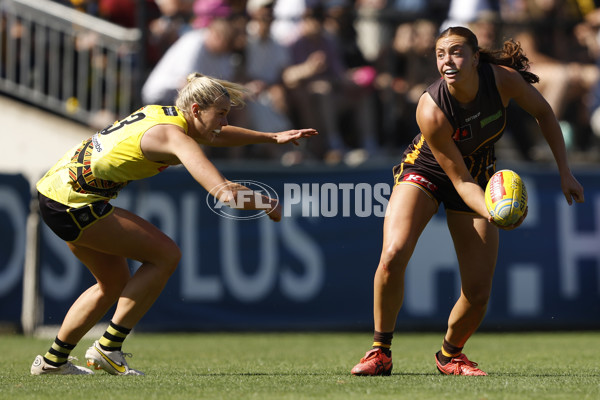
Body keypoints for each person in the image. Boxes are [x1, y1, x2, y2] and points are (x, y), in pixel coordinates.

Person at [30, 73, 318, 376]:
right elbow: (224, 193)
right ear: (195, 110)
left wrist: (271, 137)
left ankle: (52, 362)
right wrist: (267, 203)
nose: (224, 121)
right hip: (74, 201)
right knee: (166, 255)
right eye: (220, 113)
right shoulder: (175, 136)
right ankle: (108, 348)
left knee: (112, 283)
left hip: (56, 190)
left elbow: (215, 134)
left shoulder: (162, 114)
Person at [350, 26, 584, 377]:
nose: (448, 60)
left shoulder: (502, 80)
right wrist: (492, 210)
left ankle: (450, 355)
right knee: (393, 255)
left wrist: (565, 171)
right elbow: (456, 179)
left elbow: (545, 114)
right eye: (441, 54)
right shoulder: (431, 108)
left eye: (457, 52)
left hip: (478, 175)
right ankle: (379, 351)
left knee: (478, 291)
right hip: (427, 170)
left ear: (476, 57)